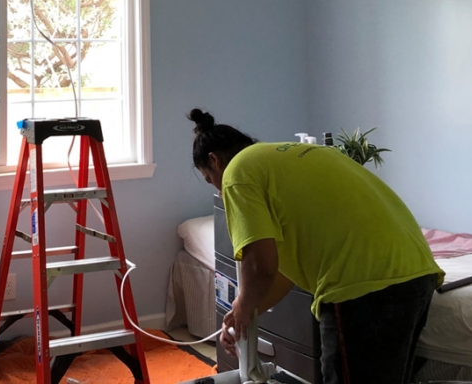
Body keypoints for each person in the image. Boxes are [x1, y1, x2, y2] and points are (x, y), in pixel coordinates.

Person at [189, 108, 443, 384]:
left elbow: (260, 266)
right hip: (417, 271)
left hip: (361, 286)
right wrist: (244, 312)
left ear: (214, 161)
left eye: (210, 180)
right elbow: (283, 273)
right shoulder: (298, 155)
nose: (218, 190)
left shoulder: (236, 172)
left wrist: (242, 304)